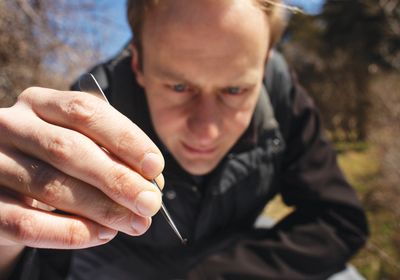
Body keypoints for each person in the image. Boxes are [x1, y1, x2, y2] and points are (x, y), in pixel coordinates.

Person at [0, 0, 368, 279]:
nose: (206, 130)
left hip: (235, 254)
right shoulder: (88, 112)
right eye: (178, 86)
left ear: (266, 61)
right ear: (138, 65)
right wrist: (9, 246)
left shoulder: (282, 93)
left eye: (236, 90)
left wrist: (215, 274)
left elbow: (340, 221)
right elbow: (44, 263)